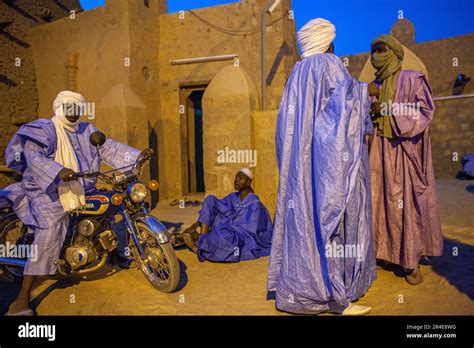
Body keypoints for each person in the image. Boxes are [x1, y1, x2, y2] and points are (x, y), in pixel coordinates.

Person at [267, 18, 377, 315]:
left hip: (301, 169)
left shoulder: (297, 73)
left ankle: (299, 291)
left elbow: (284, 129)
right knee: (332, 219)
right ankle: (332, 296)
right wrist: (369, 93)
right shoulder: (329, 65)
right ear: (327, 42)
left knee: (304, 221)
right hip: (326, 166)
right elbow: (345, 107)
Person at [3, 91, 141, 315]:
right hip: (46, 189)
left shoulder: (88, 131)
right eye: (69, 109)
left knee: (113, 204)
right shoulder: (44, 129)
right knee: (50, 231)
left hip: (81, 185)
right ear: (59, 108)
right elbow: (34, 156)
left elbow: (108, 148)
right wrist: (59, 171)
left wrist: (136, 158)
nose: (73, 113)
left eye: (77, 109)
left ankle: (118, 253)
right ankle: (21, 299)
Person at [368, 35, 443, 285]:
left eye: (381, 50)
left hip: (405, 152)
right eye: (374, 51)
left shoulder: (412, 79)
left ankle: (410, 262)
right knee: (382, 204)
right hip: (380, 151)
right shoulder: (373, 86)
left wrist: (387, 110)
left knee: (406, 204)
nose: (376, 55)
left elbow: (425, 112)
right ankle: (387, 254)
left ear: (394, 52)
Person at [180, 168, 273, 263]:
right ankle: (203, 239)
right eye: (236, 178)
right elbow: (213, 207)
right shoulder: (233, 197)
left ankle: (198, 239)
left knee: (227, 240)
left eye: (240, 178)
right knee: (210, 199)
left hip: (240, 236)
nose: (236, 181)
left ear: (248, 182)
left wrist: (227, 226)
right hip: (225, 228)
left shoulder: (255, 204)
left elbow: (252, 231)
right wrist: (194, 225)